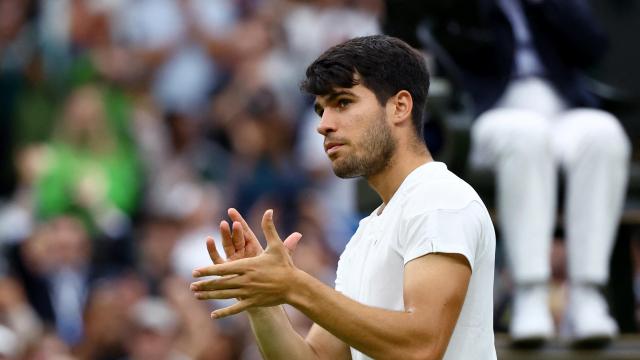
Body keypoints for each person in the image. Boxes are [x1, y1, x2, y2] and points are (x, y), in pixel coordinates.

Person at [190, 35, 497, 359]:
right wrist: (263, 301)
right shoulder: (365, 235)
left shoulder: (439, 198)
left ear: (400, 106)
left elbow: (421, 346)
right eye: (321, 110)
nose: (323, 125)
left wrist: (294, 286)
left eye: (343, 102)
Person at [385, 0, 631, 346]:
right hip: (492, 113)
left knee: (604, 135)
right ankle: (531, 293)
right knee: (525, 137)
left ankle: (587, 294)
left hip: (563, 108)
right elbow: (457, 48)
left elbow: (593, 46)